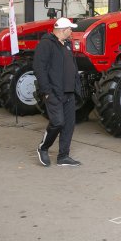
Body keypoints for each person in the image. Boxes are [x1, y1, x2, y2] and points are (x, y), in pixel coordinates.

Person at [33, 17, 82, 167]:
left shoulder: (66, 45)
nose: (71, 31)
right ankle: (43, 148)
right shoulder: (46, 44)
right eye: (70, 29)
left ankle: (63, 156)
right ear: (62, 30)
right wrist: (46, 91)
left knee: (69, 125)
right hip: (54, 92)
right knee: (58, 122)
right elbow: (39, 68)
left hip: (69, 93)